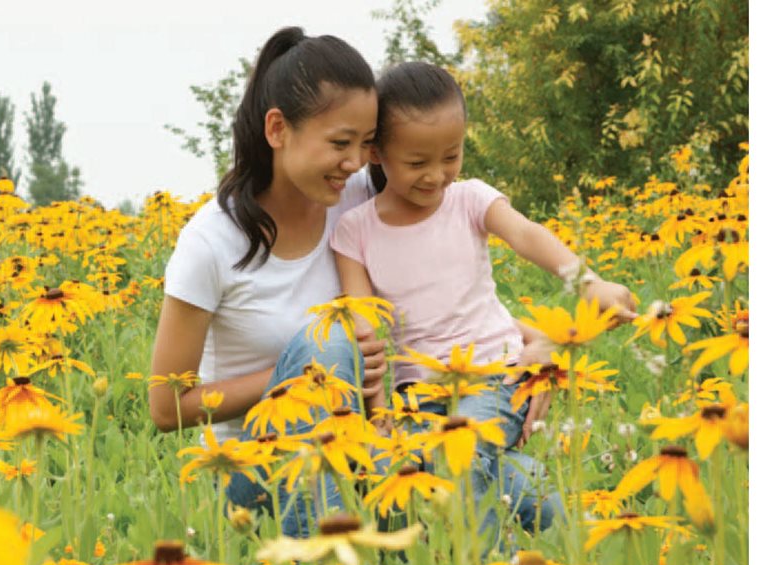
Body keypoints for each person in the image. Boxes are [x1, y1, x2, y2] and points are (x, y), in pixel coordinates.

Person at [330, 61, 638, 536]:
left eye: (450, 156)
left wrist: (588, 282)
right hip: (414, 392)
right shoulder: (354, 231)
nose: (437, 175)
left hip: (496, 374)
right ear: (376, 152)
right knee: (403, 478)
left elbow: (526, 235)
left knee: (466, 454)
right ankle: (544, 510)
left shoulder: (470, 199)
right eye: (417, 163)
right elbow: (363, 333)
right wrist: (378, 416)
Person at [149, 26, 385, 536]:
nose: (356, 162)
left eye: (367, 144)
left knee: (527, 497)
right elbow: (167, 408)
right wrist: (303, 378)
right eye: (340, 143)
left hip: (365, 450)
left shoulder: (360, 197)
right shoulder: (210, 242)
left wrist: (532, 343)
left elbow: (458, 238)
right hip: (248, 475)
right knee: (328, 343)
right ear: (277, 129)